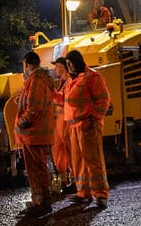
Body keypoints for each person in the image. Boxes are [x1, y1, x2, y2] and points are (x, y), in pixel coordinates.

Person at [63, 49, 111, 208]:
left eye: (70, 64)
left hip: (87, 125)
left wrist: (94, 120)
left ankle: (101, 195)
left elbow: (103, 101)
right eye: (67, 65)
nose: (68, 67)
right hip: (74, 127)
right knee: (78, 162)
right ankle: (83, 193)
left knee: (93, 161)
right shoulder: (71, 80)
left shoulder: (92, 77)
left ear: (77, 61)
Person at [15, 51, 57, 213]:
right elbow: (35, 102)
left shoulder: (36, 80)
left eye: (24, 66)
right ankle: (39, 201)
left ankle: (43, 203)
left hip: (34, 132)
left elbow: (35, 108)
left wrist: (21, 123)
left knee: (37, 168)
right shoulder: (38, 80)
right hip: (36, 132)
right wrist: (21, 100)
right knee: (36, 168)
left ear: (27, 64)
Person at [50, 57, 74, 193]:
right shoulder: (60, 82)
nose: (55, 69)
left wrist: (51, 93)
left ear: (63, 67)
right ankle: (64, 178)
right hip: (59, 121)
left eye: (57, 66)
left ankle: (76, 180)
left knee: (70, 150)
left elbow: (63, 99)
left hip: (66, 121)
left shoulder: (70, 81)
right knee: (58, 150)